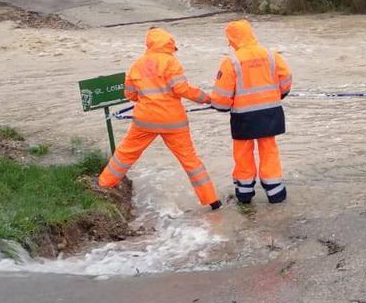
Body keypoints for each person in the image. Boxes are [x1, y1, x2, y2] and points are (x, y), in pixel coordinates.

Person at [98, 27, 222, 210]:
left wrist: (146, 99)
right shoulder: (172, 63)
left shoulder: (137, 64)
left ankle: (104, 184)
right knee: (190, 161)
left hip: (144, 120)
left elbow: (130, 94)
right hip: (173, 122)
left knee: (126, 153)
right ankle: (212, 200)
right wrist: (206, 98)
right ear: (169, 44)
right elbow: (181, 89)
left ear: (149, 44)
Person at [209, 20, 293, 204]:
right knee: (269, 149)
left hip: (243, 116)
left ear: (231, 39)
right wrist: (277, 95)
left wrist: (219, 106)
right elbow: (286, 79)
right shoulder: (271, 55)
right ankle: (275, 193)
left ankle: (245, 194)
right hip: (271, 112)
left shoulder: (231, 61)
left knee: (243, 152)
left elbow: (221, 96)